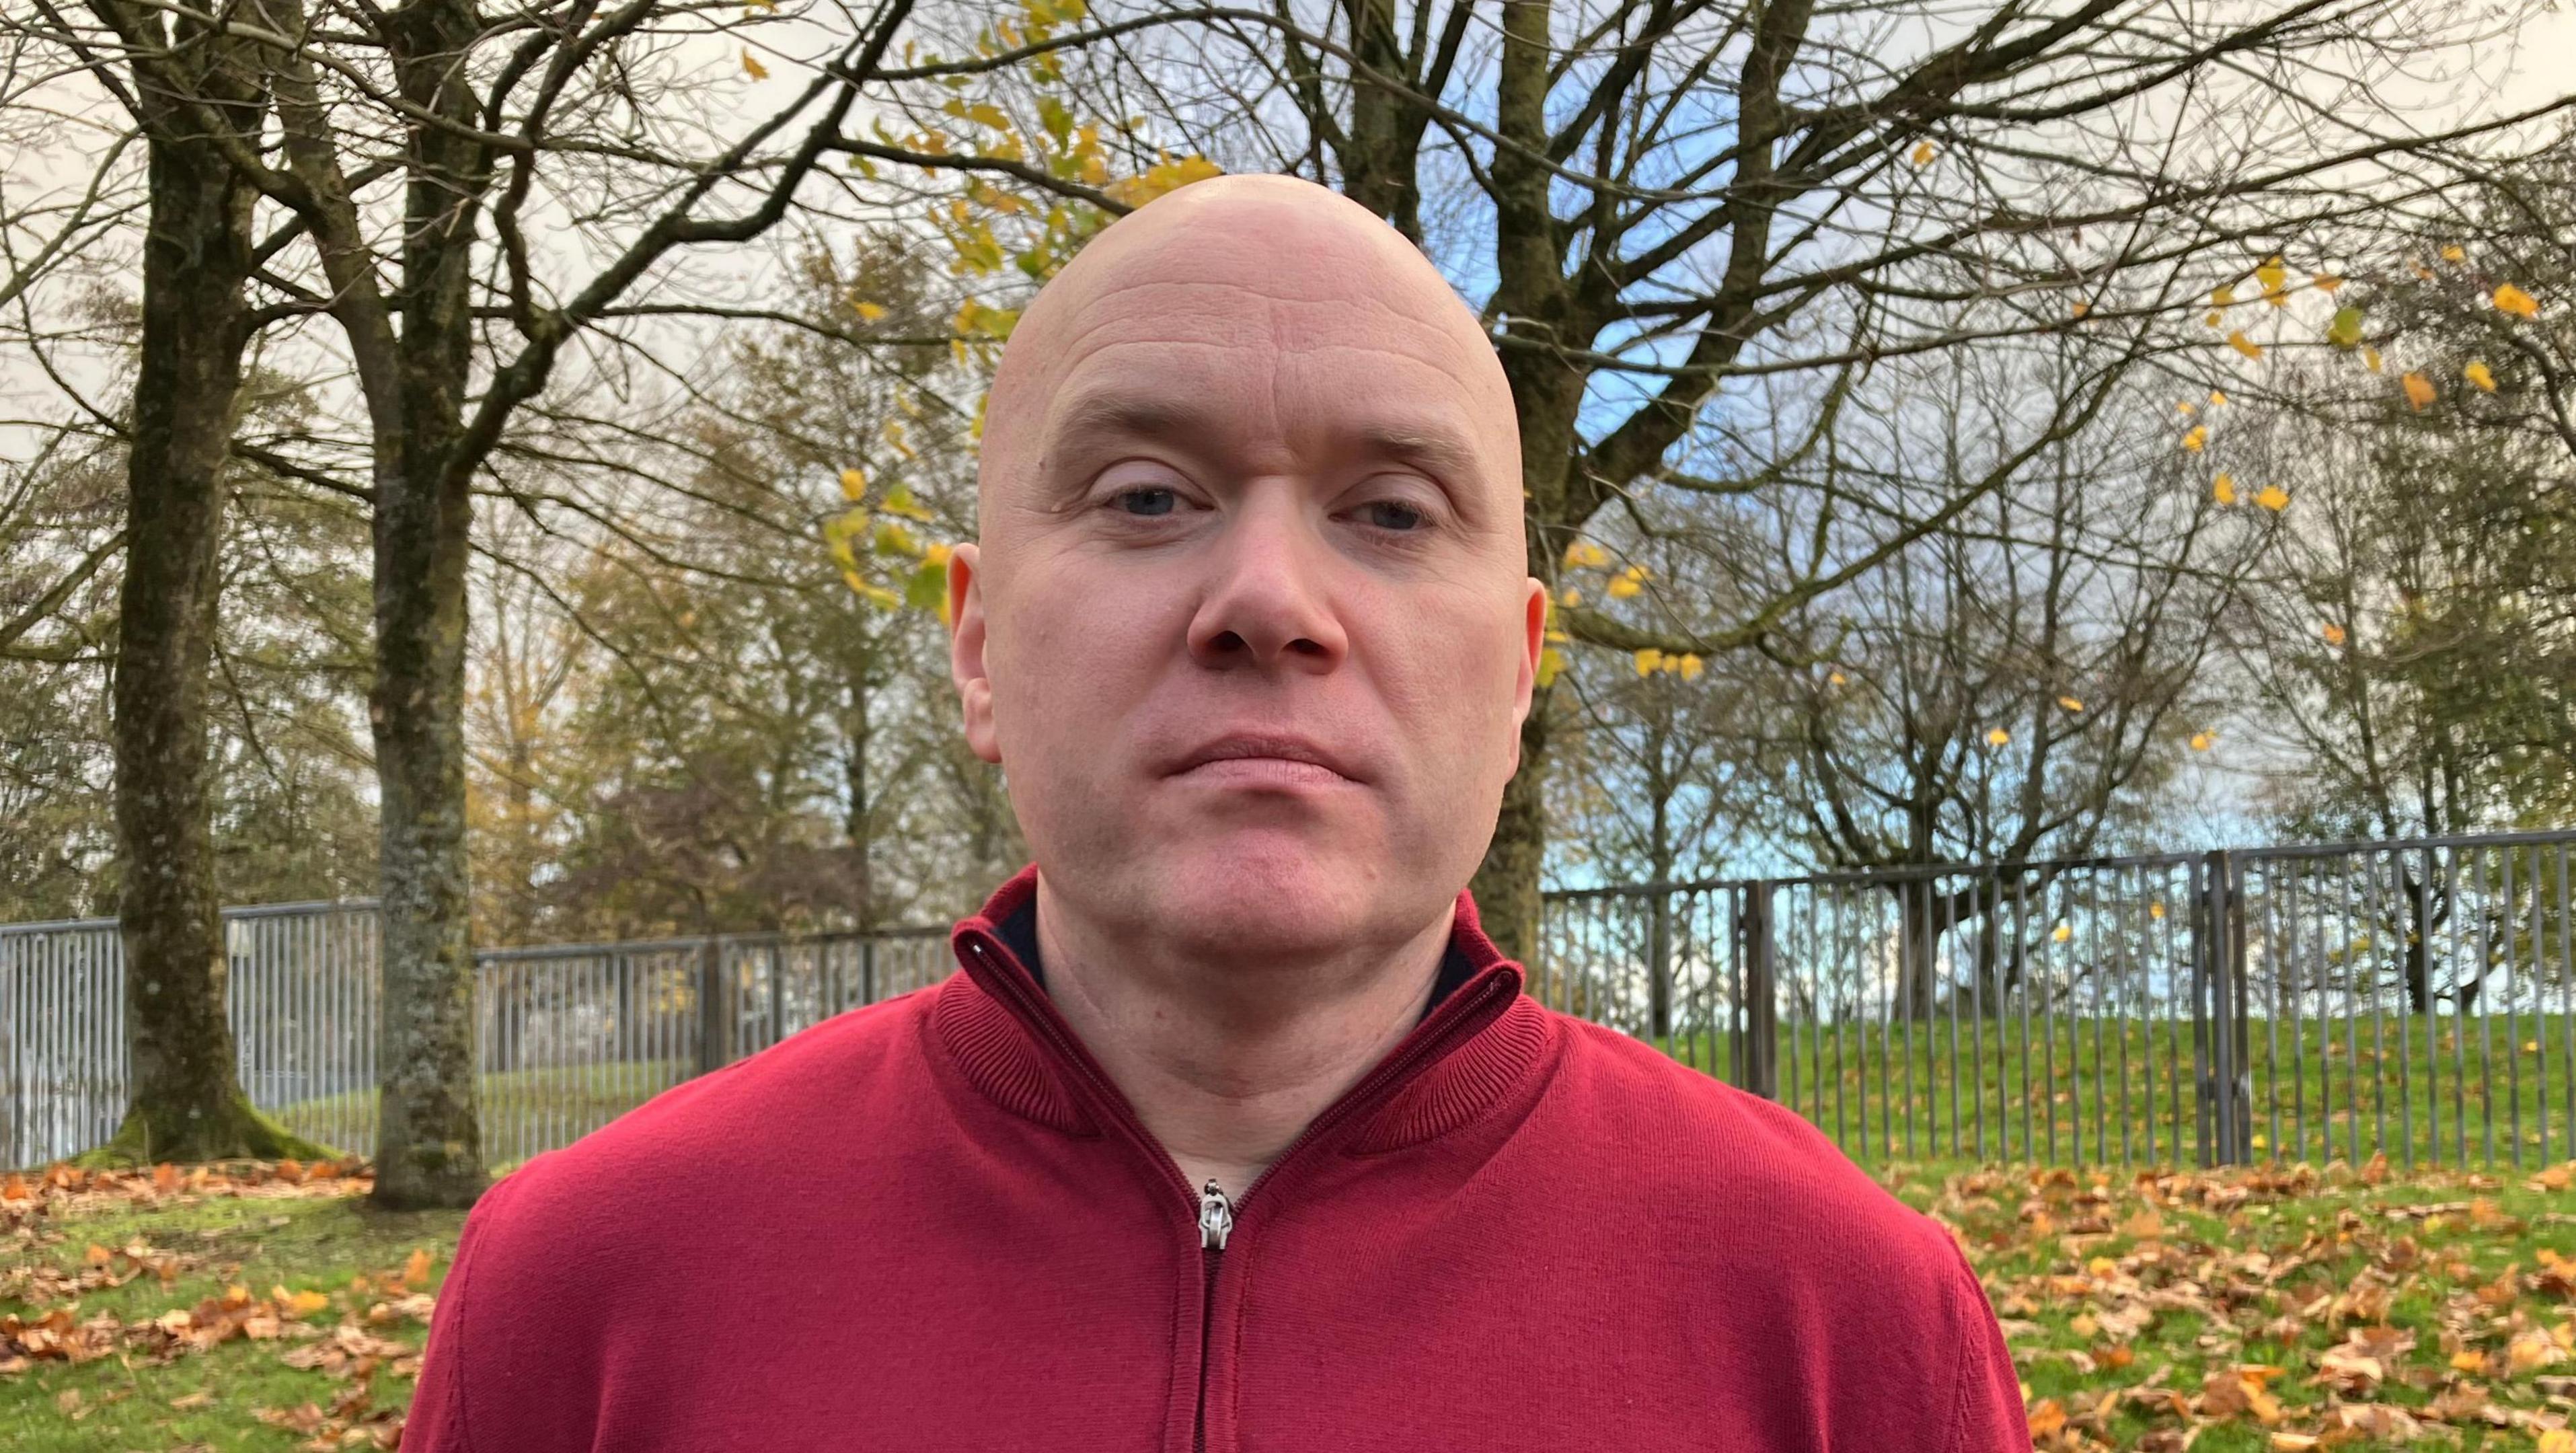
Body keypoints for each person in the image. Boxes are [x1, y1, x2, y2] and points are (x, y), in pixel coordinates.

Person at [402, 174, 2030, 1452]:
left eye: (1390, 512)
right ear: (978, 644)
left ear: (1521, 670)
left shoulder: (1845, 1320)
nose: (1269, 599)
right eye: (1148, 499)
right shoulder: (585, 1288)